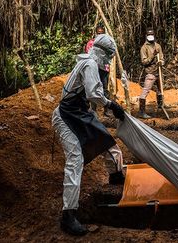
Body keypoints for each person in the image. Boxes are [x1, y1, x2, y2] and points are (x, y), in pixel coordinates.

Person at [52, 34, 126, 236]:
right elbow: (94, 93)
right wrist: (111, 105)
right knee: (75, 160)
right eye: (109, 55)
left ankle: (116, 176)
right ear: (102, 53)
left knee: (105, 139)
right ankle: (68, 215)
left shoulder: (89, 62)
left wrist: (108, 105)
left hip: (81, 113)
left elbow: (92, 95)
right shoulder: (90, 64)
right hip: (66, 116)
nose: (110, 59)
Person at [85, 24, 111, 117]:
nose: (100, 35)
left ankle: (106, 110)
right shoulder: (91, 43)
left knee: (104, 89)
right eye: (98, 33)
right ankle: (93, 110)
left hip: (104, 69)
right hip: (94, 70)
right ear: (96, 33)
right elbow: (89, 55)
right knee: (94, 88)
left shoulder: (107, 43)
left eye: (102, 33)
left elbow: (111, 54)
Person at [139, 28, 165, 119]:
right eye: (149, 35)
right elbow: (144, 62)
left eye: (152, 34)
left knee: (160, 90)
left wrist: (161, 62)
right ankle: (141, 112)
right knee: (145, 91)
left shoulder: (158, 46)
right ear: (146, 36)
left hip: (158, 71)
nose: (151, 36)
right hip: (150, 72)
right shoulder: (144, 47)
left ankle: (160, 107)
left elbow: (162, 58)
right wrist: (152, 55)